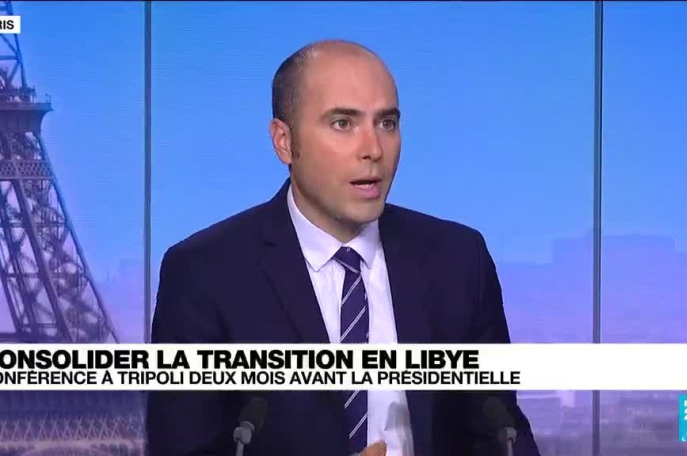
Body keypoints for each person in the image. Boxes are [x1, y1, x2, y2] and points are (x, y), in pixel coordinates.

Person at [146, 39, 540, 456]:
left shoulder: (459, 260)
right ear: (284, 141)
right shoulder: (204, 274)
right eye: (342, 123)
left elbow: (501, 433)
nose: (373, 150)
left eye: (387, 123)